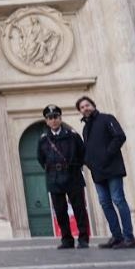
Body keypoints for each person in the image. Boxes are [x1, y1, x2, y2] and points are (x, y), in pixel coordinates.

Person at [76, 96, 135, 249]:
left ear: (93, 105)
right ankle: (117, 237)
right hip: (97, 172)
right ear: (80, 111)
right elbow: (88, 149)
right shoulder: (85, 128)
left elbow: (119, 136)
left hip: (112, 169)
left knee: (118, 200)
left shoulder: (107, 119)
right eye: (82, 107)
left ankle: (129, 238)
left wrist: (107, 154)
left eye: (87, 105)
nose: (85, 108)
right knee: (104, 203)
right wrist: (88, 162)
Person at [37, 105, 90, 249]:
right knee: (60, 211)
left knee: (79, 209)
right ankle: (67, 239)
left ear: (60, 118)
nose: (53, 120)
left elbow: (82, 153)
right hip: (54, 178)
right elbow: (41, 159)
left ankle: (83, 238)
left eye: (55, 117)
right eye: (50, 118)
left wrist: (73, 167)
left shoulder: (72, 135)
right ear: (46, 121)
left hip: (73, 176)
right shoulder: (43, 140)